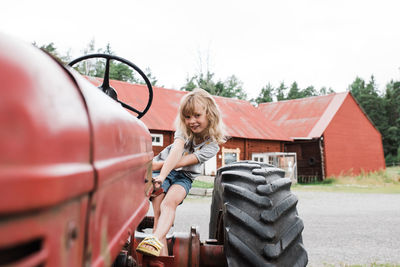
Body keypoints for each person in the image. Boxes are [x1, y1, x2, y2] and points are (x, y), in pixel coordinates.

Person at [136, 88, 226, 257]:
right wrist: (161, 176)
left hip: (183, 176)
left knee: (169, 203)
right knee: (158, 219)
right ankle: (157, 251)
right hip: (164, 173)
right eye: (187, 116)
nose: (192, 121)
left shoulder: (212, 146)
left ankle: (154, 240)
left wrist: (155, 167)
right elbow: (176, 151)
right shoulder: (183, 131)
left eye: (197, 115)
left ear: (210, 114)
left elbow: (184, 161)